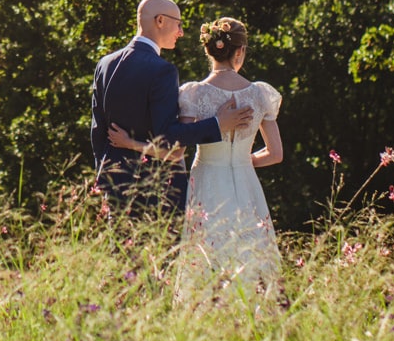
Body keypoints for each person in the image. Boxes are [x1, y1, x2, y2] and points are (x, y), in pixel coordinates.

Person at [109, 15, 284, 300]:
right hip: (246, 183)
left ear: (209, 51)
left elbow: (176, 150)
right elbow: (275, 154)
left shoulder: (194, 93)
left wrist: (132, 144)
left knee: (207, 253)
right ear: (240, 51)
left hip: (207, 182)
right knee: (251, 252)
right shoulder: (260, 95)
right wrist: (242, 163)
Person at [90, 0, 253, 216]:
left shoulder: (105, 64)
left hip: (115, 187)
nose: (181, 32)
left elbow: (98, 131)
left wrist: (105, 176)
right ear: (160, 21)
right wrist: (218, 124)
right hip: (156, 191)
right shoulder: (162, 70)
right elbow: (167, 136)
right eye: (179, 24)